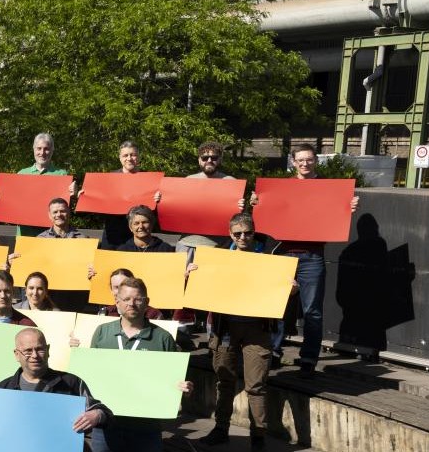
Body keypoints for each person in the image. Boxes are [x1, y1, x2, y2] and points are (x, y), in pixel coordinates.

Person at [256, 144, 358, 376]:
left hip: (312, 256)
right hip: (283, 254)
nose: (305, 164)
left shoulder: (328, 189)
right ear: (293, 162)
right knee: (277, 306)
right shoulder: (282, 188)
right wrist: (257, 202)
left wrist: (348, 207)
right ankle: (274, 351)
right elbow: (265, 212)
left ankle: (309, 357)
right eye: (300, 160)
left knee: (312, 311)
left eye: (309, 160)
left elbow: (337, 214)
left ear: (316, 161)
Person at [192, 214, 279, 451]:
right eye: (237, 233)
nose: (242, 237)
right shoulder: (218, 256)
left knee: (256, 385)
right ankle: (221, 429)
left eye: (247, 232)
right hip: (225, 327)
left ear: (254, 231)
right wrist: (195, 273)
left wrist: (290, 290)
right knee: (225, 381)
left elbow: (282, 291)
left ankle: (258, 437)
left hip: (258, 328)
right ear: (230, 234)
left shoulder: (270, 256)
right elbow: (201, 289)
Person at [88, 278, 192, 452]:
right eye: (126, 299)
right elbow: (92, 375)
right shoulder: (102, 332)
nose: (132, 304)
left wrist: (183, 388)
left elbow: (176, 380)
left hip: (146, 427)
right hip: (106, 425)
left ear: (147, 303)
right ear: (117, 302)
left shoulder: (162, 338)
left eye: (138, 299)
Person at [0, 328, 111, 436]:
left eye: (40, 349)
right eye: (28, 351)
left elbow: (105, 412)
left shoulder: (71, 383)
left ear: (48, 351)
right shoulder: (2, 390)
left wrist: (97, 415)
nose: (35, 355)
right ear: (16, 354)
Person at [95, 141, 145, 248]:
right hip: (112, 234)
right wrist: (83, 195)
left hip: (138, 234)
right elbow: (97, 201)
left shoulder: (147, 179)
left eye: (133, 155)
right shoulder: (109, 178)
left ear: (139, 157)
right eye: (125, 155)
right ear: (120, 158)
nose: (129, 158)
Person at [103, 206, 176, 253]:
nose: (141, 226)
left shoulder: (165, 249)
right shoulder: (123, 250)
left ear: (152, 224)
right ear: (130, 227)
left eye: (145, 222)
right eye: (136, 223)